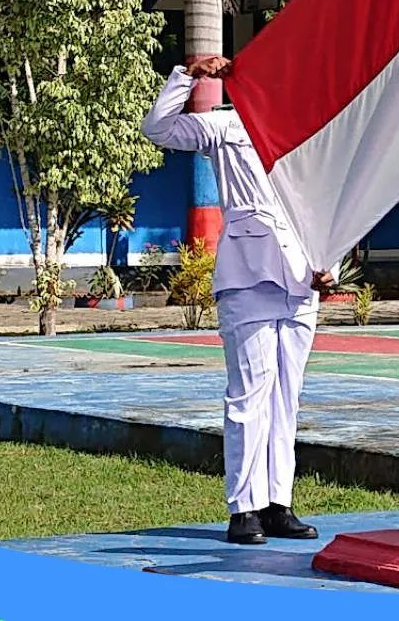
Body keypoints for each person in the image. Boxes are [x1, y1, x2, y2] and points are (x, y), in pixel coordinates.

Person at [142, 56, 335, 545]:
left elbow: (329, 205)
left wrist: (332, 259)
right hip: (249, 273)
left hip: (302, 276)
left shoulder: (312, 134)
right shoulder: (227, 124)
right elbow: (158, 129)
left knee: (286, 397)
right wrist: (187, 74)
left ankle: (277, 503)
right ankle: (243, 508)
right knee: (249, 393)